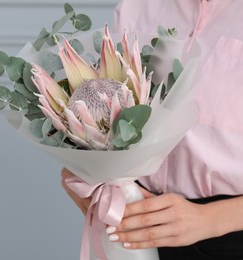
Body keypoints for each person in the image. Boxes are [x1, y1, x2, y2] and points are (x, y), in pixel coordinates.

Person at [61, 0, 243, 259]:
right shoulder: (137, 5)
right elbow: (111, 103)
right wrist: (83, 172)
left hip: (227, 235)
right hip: (131, 223)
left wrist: (208, 219)